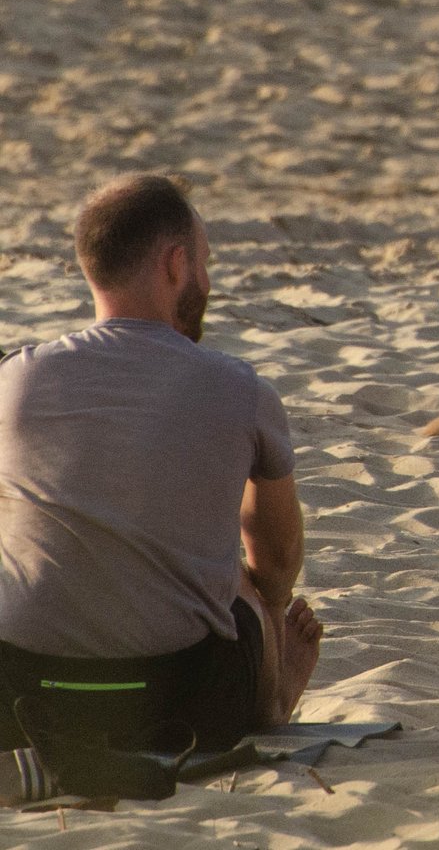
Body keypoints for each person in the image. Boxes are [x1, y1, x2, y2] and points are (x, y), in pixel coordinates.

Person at [0, 176, 323, 803]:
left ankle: (59, 747)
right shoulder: (240, 389)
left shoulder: (15, 378)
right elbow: (280, 560)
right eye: (203, 261)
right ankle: (274, 698)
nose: (206, 279)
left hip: (17, 695)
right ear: (176, 264)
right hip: (184, 702)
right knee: (247, 583)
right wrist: (271, 608)